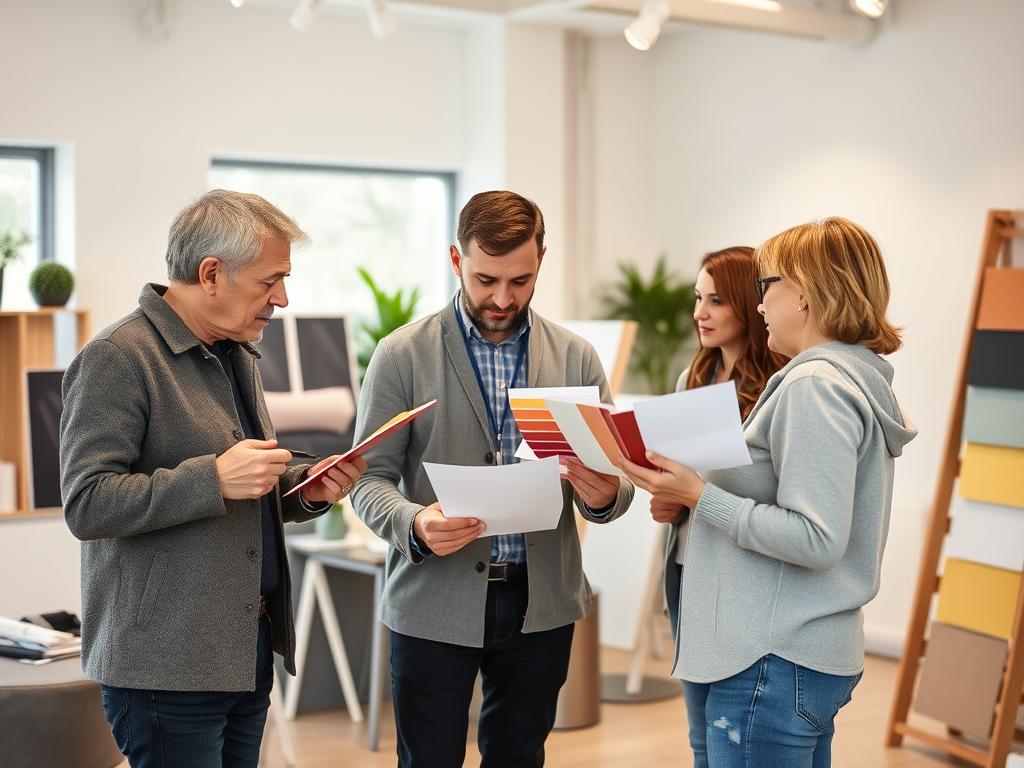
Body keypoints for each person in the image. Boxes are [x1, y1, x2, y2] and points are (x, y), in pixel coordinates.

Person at [60, 189, 367, 768]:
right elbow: (87, 502)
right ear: (210, 274)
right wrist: (214, 479)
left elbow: (244, 486)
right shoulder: (118, 357)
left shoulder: (235, 351)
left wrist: (304, 489)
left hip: (243, 650)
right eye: (270, 281)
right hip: (165, 665)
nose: (282, 298)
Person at [351, 190, 635, 768]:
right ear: (456, 260)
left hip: (542, 605)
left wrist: (606, 495)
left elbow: (616, 476)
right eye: (486, 280)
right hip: (432, 603)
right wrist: (414, 521)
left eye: (520, 281)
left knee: (520, 758)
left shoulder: (576, 357)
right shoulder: (400, 354)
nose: (503, 299)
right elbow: (367, 479)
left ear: (541, 260)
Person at [619, 217, 916, 767]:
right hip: (791, 651)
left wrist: (700, 496)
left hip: (772, 656)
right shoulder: (846, 377)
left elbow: (816, 538)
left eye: (767, 287)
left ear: (804, 293)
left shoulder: (814, 386)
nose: (759, 305)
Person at [655, 247, 785, 675]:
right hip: (686, 564)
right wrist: (671, 503)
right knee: (697, 709)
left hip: (743, 573)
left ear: (749, 305)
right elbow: (687, 477)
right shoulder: (691, 380)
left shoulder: (777, 388)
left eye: (716, 300)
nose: (700, 313)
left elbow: (775, 492)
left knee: (733, 703)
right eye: (698, 298)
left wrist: (696, 493)